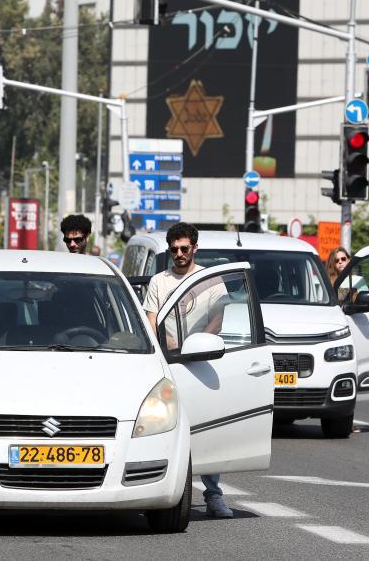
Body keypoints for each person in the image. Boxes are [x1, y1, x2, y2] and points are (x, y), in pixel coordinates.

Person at [141, 222, 233, 519]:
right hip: (168, 363)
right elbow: (152, 320)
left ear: (195, 247)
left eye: (184, 248)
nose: (179, 254)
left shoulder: (210, 280)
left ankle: (214, 495)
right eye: (174, 249)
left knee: (207, 428)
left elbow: (217, 320)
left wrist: (196, 346)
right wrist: (163, 350)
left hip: (201, 360)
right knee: (162, 425)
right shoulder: (159, 281)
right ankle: (153, 491)